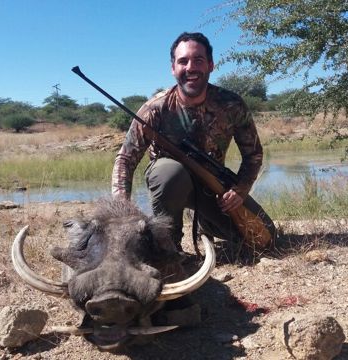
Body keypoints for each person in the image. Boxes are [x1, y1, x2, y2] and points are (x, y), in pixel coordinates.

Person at [112, 32, 263, 250]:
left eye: (198, 60)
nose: (190, 67)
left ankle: (207, 224)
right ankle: (169, 244)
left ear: (211, 65)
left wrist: (240, 190)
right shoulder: (155, 108)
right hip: (170, 183)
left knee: (264, 239)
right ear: (173, 68)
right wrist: (121, 208)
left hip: (214, 187)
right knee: (170, 173)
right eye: (183, 61)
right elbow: (126, 159)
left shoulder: (232, 104)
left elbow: (253, 154)